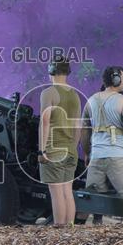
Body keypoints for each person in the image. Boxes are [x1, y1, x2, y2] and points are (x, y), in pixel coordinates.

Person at [82, 66, 123, 203]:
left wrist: (87, 153)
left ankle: (83, 218)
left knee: (90, 199)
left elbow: (84, 131)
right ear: (116, 80)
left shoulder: (91, 100)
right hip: (118, 155)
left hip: (96, 155)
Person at [37, 56, 82, 228]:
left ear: (51, 71)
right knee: (67, 191)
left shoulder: (48, 93)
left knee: (56, 192)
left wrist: (41, 150)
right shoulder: (75, 95)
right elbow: (78, 125)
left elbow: (45, 121)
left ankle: (59, 229)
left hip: (53, 150)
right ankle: (69, 229)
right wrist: (73, 147)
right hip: (71, 150)